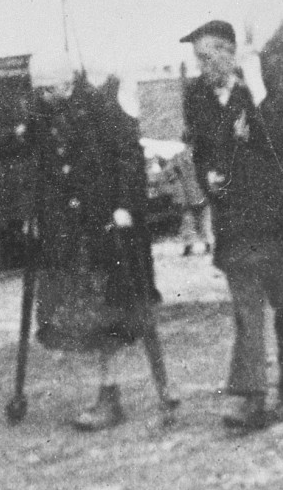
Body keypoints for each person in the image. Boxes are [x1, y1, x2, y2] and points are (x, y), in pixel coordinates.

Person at [181, 16, 283, 431]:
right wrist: (208, 177)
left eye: (209, 56)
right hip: (235, 221)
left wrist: (257, 96)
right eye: (198, 58)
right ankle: (248, 394)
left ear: (228, 52)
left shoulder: (268, 88)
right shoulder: (196, 96)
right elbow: (200, 150)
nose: (204, 66)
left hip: (281, 218)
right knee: (246, 312)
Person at [31, 72, 178, 430]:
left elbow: (129, 155)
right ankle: (109, 397)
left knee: (132, 312)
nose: (48, 97)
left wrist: (126, 205)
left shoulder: (104, 107)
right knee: (99, 322)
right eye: (43, 91)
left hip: (114, 229)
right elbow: (41, 171)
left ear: (67, 83)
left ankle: (163, 388)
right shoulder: (44, 117)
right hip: (78, 236)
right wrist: (36, 213)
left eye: (53, 89)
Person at [171, 147, 212, 257]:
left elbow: (174, 177)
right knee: (199, 221)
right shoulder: (201, 155)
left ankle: (193, 245)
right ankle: (203, 244)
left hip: (192, 193)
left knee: (192, 221)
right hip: (195, 193)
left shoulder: (179, 156)